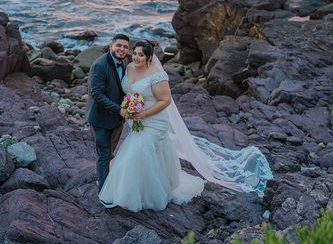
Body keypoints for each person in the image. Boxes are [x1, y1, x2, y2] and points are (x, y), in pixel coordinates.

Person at [99, 40, 272, 212]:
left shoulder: (157, 75)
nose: (136, 57)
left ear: (150, 58)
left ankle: (141, 194)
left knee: (136, 152)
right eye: (135, 53)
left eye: (141, 55)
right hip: (135, 120)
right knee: (148, 153)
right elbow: (128, 92)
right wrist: (127, 107)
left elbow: (165, 100)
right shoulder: (129, 68)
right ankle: (142, 186)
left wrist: (143, 113)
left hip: (153, 120)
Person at [86, 33, 130, 191]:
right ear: (111, 46)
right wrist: (120, 110)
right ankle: (103, 191)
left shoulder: (123, 62)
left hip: (117, 120)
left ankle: (107, 181)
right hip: (101, 119)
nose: (122, 49)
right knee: (104, 155)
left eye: (125, 47)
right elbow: (96, 94)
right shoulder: (100, 65)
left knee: (110, 153)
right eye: (118, 45)